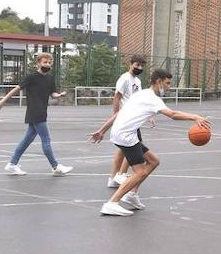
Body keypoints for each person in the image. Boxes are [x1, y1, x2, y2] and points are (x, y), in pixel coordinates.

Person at [88, 68, 211, 216]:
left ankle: (131, 195)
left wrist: (102, 130)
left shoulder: (141, 94)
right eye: (167, 83)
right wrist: (195, 117)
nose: (169, 87)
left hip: (122, 133)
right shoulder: (152, 99)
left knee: (153, 161)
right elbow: (172, 114)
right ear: (158, 81)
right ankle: (112, 203)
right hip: (126, 136)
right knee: (140, 173)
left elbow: (119, 113)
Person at [0, 52, 73, 177]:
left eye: (49, 63)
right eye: (44, 62)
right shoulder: (31, 77)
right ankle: (55, 166)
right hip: (35, 112)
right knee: (46, 140)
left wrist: (59, 95)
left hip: (42, 111)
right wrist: (3, 101)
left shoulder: (49, 78)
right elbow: (17, 88)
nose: (47, 64)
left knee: (27, 139)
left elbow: (52, 94)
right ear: (38, 63)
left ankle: (12, 164)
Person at [107, 55, 145, 189]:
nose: (139, 67)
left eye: (141, 66)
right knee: (133, 146)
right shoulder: (124, 79)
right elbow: (117, 97)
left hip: (134, 118)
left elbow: (138, 99)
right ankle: (120, 174)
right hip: (126, 118)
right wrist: (116, 114)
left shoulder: (138, 81)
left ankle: (113, 178)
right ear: (131, 64)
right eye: (137, 65)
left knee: (123, 149)